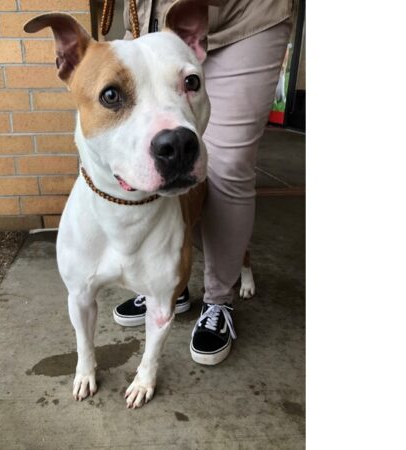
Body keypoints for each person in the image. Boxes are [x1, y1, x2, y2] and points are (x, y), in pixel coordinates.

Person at [111, 0, 293, 365]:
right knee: (147, 161)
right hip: (154, 13)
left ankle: (218, 299)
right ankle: (168, 285)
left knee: (227, 166)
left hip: (246, 16)